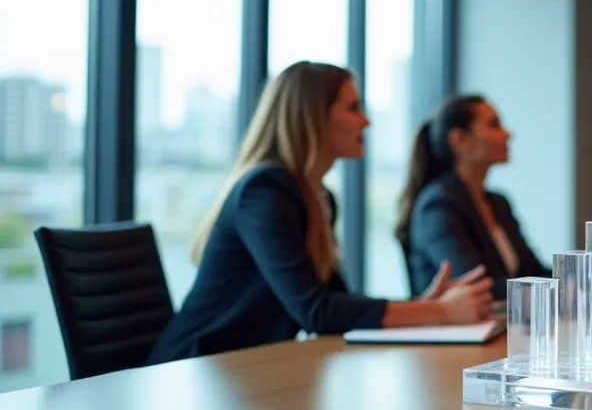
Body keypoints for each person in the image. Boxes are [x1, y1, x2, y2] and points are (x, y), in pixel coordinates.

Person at [149, 62, 494, 364]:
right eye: (353, 108)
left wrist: (422, 305)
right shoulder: (265, 192)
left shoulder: (318, 198)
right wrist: (438, 312)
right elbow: (316, 312)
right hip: (193, 369)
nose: (366, 122)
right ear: (313, 117)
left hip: (246, 372)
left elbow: (337, 302)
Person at [397, 95, 550, 301]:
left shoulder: (498, 203)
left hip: (499, 325)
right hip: (454, 332)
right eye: (494, 125)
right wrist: (555, 288)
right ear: (459, 140)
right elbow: (474, 284)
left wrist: (576, 279)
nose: (507, 134)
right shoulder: (438, 205)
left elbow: (533, 270)